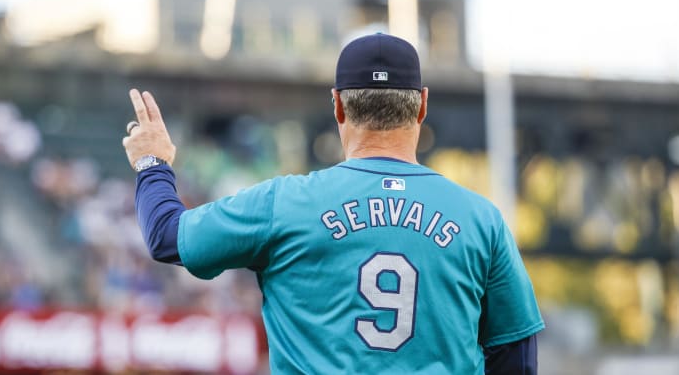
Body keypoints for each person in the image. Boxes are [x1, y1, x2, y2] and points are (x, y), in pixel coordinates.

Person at [122, 33, 544, 374]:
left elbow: (166, 237)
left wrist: (151, 160)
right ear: (422, 106)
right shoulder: (480, 220)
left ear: (338, 104)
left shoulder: (284, 203)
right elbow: (517, 356)